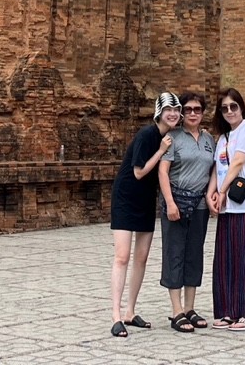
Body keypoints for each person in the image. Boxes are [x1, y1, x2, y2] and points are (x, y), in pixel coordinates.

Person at [109, 91, 182, 338]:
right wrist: (161, 150)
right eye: (168, 110)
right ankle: (116, 316)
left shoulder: (170, 137)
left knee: (141, 257)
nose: (173, 114)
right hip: (126, 197)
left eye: (176, 110)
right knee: (122, 256)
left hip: (146, 200)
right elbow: (139, 172)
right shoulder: (148, 135)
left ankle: (130, 311)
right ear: (159, 112)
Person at [158, 91, 217, 332]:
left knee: (194, 254)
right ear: (182, 113)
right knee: (175, 254)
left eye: (197, 110)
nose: (193, 113)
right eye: (188, 109)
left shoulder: (208, 139)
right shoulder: (173, 137)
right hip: (177, 202)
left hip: (199, 205)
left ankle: (190, 308)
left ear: (203, 113)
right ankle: (176, 311)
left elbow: (214, 168)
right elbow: (163, 171)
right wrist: (170, 203)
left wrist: (211, 194)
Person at [208, 87, 245, 330]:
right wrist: (211, 192)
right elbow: (216, 169)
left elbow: (239, 161)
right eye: (225, 108)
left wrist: (222, 190)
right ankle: (228, 311)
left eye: (234, 106)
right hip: (227, 207)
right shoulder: (222, 138)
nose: (230, 111)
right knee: (226, 259)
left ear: (241, 108)